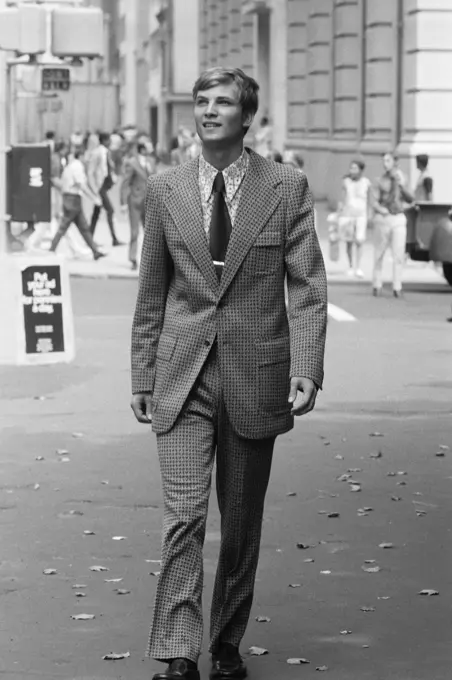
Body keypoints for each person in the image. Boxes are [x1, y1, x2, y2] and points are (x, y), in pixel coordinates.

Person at [130, 66, 327, 680]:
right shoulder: (165, 191)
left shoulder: (286, 186)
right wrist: (141, 372)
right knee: (183, 517)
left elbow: (308, 285)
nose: (209, 111)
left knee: (240, 524)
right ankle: (178, 653)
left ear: (248, 117)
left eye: (223, 103)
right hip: (182, 376)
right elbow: (152, 292)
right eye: (202, 102)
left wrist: (307, 364)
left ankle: (224, 643)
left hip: (256, 375)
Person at [49, 149, 105, 260]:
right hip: (72, 199)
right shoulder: (77, 167)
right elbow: (81, 185)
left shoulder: (71, 166)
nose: (87, 159)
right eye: (86, 156)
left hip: (71, 198)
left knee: (83, 227)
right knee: (63, 227)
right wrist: (94, 198)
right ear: (81, 155)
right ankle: (51, 250)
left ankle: (95, 251)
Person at [372, 151, 415, 298]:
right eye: (384, 161)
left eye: (388, 161)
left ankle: (397, 286)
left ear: (395, 162)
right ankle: (377, 284)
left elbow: (410, 199)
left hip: (398, 217)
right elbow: (374, 201)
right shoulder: (380, 180)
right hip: (384, 217)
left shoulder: (403, 178)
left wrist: (402, 185)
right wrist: (381, 210)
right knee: (379, 252)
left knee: (398, 254)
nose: (385, 164)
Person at [120, 142, 156, 270]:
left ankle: (149, 259)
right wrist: (123, 202)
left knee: (150, 231)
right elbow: (125, 183)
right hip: (135, 199)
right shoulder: (132, 163)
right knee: (134, 231)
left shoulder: (151, 161)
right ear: (142, 149)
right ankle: (133, 258)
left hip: (149, 200)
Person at [87, 131, 122, 245]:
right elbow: (91, 171)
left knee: (96, 213)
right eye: (109, 140)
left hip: (103, 186)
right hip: (99, 187)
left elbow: (108, 168)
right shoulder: (97, 153)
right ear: (105, 140)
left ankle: (90, 238)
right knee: (110, 210)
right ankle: (114, 239)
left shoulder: (107, 152)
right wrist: (94, 189)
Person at [338, 159, 371, 278]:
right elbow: (342, 198)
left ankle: (358, 267)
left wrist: (370, 214)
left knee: (359, 240)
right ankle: (351, 265)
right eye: (351, 168)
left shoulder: (366, 182)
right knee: (349, 241)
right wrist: (339, 213)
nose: (352, 170)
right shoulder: (346, 182)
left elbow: (369, 200)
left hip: (361, 215)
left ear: (361, 170)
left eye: (355, 168)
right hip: (348, 214)